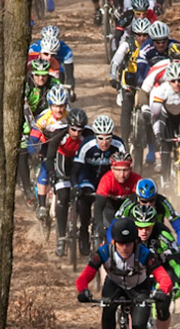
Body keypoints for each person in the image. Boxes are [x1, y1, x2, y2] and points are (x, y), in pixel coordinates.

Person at [76, 218, 173, 329]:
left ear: (135, 242)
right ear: (114, 242)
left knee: (139, 325)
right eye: (121, 244)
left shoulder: (145, 254)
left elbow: (164, 277)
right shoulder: (104, 253)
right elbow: (83, 277)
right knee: (107, 315)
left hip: (139, 288)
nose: (125, 248)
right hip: (114, 286)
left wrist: (162, 290)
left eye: (128, 244)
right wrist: (83, 290)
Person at [75, 116, 127, 254]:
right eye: (101, 138)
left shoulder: (119, 145)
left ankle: (107, 234)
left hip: (108, 178)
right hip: (88, 176)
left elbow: (124, 168)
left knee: (110, 204)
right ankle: (83, 232)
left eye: (108, 138)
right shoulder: (87, 145)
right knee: (85, 199)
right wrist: (75, 186)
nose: (104, 142)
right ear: (95, 136)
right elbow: (76, 169)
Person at [49, 108, 93, 256]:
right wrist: (51, 173)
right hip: (63, 166)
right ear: (69, 126)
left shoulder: (89, 134)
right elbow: (50, 157)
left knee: (83, 199)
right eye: (73, 129)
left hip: (79, 166)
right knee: (63, 197)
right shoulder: (59, 134)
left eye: (80, 130)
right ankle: (61, 238)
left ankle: (83, 234)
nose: (76, 133)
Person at [27, 84, 72, 219]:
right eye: (56, 106)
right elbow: (33, 136)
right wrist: (32, 147)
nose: (59, 109)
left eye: (62, 106)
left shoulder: (69, 116)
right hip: (46, 145)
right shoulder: (44, 117)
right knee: (45, 169)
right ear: (50, 105)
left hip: (63, 147)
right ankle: (41, 205)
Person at [133, 203, 180, 313]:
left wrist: (175, 284)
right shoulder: (128, 233)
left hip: (158, 268)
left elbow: (176, 260)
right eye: (140, 227)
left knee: (162, 309)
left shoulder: (162, 233)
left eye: (148, 227)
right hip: (135, 270)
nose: (144, 231)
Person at [113, 178, 180, 248]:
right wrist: (112, 242)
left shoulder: (163, 202)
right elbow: (113, 226)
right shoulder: (130, 203)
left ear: (156, 197)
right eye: (144, 201)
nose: (148, 204)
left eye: (152, 200)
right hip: (134, 236)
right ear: (138, 199)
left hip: (157, 236)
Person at [95, 152, 142, 234]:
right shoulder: (106, 180)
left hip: (128, 209)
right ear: (112, 169)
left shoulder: (137, 180)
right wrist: (99, 224)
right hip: (110, 208)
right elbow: (98, 205)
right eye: (118, 170)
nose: (122, 175)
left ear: (130, 169)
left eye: (125, 170)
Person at [28, 28, 76, 96]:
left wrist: (71, 91)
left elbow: (69, 75)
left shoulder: (65, 50)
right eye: (46, 54)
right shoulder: (34, 49)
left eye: (53, 55)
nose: (49, 57)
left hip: (55, 69)